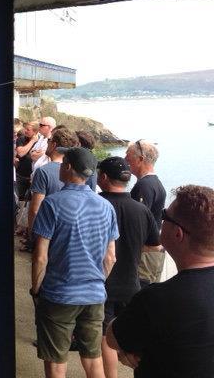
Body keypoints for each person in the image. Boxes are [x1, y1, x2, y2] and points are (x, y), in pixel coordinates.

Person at [106, 185, 214, 377]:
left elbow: (113, 338)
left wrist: (129, 351)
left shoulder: (157, 298)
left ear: (178, 234)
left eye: (165, 216)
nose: (161, 220)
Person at [31, 147, 118, 378]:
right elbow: (110, 257)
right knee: (92, 357)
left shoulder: (52, 204)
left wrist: (37, 289)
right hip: (94, 294)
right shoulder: (106, 207)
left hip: (59, 294)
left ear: (68, 166)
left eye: (62, 163)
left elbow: (41, 256)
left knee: (56, 360)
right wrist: (96, 282)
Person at [96, 157, 159, 378]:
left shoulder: (97, 204)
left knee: (104, 336)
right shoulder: (141, 209)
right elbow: (155, 244)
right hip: (131, 283)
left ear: (103, 177)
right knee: (130, 338)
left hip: (102, 282)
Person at [23, 128, 80, 252]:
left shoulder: (44, 171)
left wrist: (32, 236)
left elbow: (35, 209)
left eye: (49, 140)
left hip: (47, 232)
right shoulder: (78, 172)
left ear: (54, 144)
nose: (47, 143)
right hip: (70, 234)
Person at [125, 139, 167, 287]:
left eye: (128, 155)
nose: (125, 159)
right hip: (153, 250)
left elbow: (138, 222)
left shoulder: (144, 186)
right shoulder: (155, 183)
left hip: (146, 253)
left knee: (140, 293)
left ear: (141, 159)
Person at [15, 121, 39, 200]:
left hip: (33, 178)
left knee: (30, 200)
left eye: (28, 129)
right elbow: (21, 153)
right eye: (25, 129)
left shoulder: (41, 142)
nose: (25, 131)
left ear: (35, 131)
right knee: (17, 198)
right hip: (21, 176)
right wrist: (32, 141)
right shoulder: (21, 139)